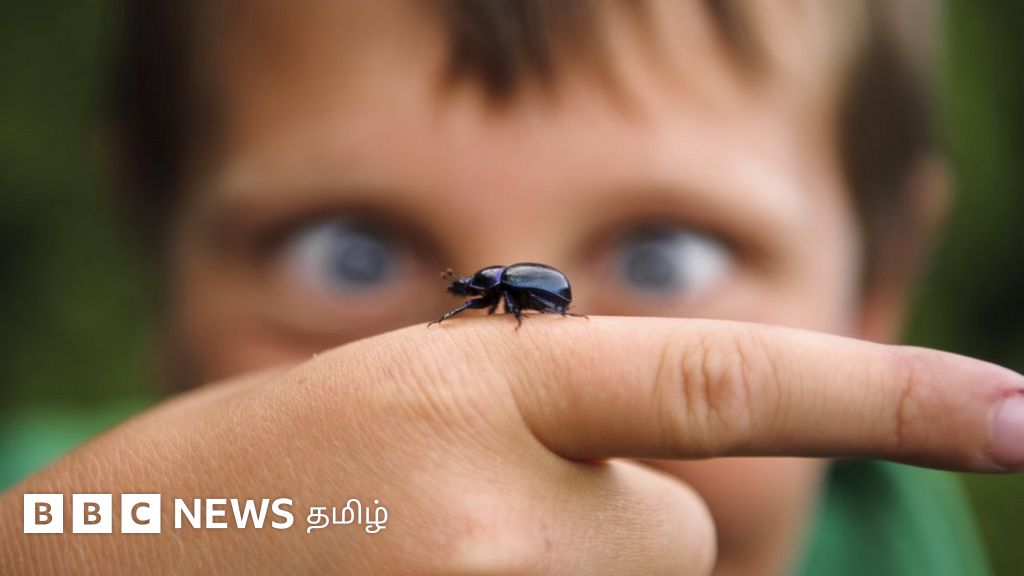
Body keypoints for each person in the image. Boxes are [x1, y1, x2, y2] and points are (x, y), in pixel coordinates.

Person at [1, 1, 1021, 573]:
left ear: (877, 280)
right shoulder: (62, 507)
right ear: (156, 249)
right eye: (346, 253)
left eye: (666, 257)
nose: (483, 419)